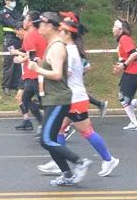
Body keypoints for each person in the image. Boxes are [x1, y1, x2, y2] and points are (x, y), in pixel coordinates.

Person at [38, 15, 119, 177]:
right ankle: (58, 161)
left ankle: (109, 159)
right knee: (58, 131)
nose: (58, 32)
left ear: (68, 34)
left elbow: (61, 73)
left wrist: (40, 68)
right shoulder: (71, 48)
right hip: (71, 97)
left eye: (61, 30)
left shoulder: (69, 50)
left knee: (86, 131)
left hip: (75, 98)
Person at [31, 13, 92, 186]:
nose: (38, 28)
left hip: (59, 99)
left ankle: (80, 162)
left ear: (49, 26)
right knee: (49, 139)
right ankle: (66, 174)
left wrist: (37, 69)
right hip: (53, 99)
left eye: (40, 25)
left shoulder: (57, 47)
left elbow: (57, 74)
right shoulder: (52, 45)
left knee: (46, 140)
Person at [13, 11, 46, 132]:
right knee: (25, 99)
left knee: (44, 102)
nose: (23, 22)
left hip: (35, 74)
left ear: (31, 22)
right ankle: (43, 123)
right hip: (34, 74)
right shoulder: (38, 34)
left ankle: (60, 123)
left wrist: (19, 59)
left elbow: (31, 56)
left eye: (26, 19)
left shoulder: (30, 36)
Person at [0, 0, 22, 95]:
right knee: (9, 62)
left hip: (18, 38)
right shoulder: (4, 12)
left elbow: (21, 23)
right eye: (11, 0)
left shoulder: (14, 12)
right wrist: (23, 17)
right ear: (6, 1)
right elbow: (14, 24)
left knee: (18, 62)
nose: (13, 2)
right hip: (10, 39)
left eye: (14, 0)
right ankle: (6, 86)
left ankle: (16, 84)